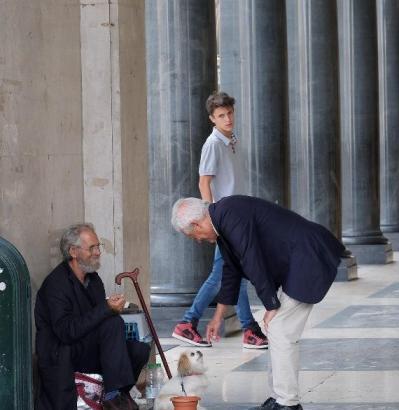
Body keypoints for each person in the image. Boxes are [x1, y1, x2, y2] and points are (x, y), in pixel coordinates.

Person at [171, 195, 346, 410]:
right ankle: (280, 398)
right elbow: (231, 271)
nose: (198, 240)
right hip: (298, 259)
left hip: (308, 255)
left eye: (194, 236)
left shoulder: (230, 215)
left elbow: (252, 259)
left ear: (196, 224)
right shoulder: (222, 220)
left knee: (280, 329)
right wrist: (218, 317)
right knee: (278, 329)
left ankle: (287, 403)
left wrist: (271, 305)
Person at [171, 92, 269, 350]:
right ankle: (244, 328)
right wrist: (212, 217)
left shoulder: (232, 139)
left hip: (235, 217)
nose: (227, 119)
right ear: (212, 119)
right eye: (221, 116)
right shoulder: (213, 144)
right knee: (225, 274)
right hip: (223, 219)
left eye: (229, 113)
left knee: (228, 272)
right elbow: (204, 181)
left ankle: (192, 324)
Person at [35, 223, 149, 410]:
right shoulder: (56, 284)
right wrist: (106, 309)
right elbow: (66, 331)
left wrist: (110, 308)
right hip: (64, 352)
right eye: (92, 248)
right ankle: (114, 397)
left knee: (139, 350)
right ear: (73, 251)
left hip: (87, 345)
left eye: (98, 247)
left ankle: (119, 394)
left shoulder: (93, 279)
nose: (97, 252)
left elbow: (98, 320)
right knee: (112, 323)